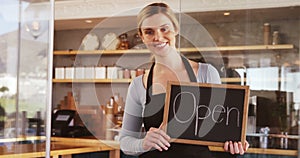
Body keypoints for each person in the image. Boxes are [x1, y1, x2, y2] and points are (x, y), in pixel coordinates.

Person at [119, 2, 249, 158]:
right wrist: (143, 143)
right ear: (142, 36)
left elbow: (219, 130)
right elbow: (125, 142)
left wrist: (231, 144)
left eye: (164, 29)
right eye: (149, 32)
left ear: (176, 29)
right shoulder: (139, 85)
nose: (158, 37)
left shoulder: (206, 73)